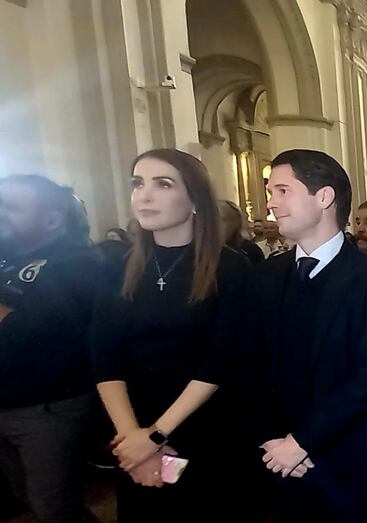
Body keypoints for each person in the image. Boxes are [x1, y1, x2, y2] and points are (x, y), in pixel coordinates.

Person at [227, 149, 367, 522]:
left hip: (351, 462)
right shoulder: (264, 275)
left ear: (324, 197)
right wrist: (272, 439)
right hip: (278, 459)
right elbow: (246, 364)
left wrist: (302, 442)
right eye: (270, 191)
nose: (270, 203)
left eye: (282, 190)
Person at [91, 149, 248, 522]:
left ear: (194, 197)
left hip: (203, 428)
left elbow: (218, 361)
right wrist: (134, 440)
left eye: (163, 184)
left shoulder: (230, 267)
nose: (144, 195)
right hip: (132, 428)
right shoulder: (117, 266)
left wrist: (157, 437)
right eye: (137, 184)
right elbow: (103, 357)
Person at [0, 175, 99, 523]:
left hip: (47, 406)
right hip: (8, 401)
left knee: (54, 506)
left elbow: (27, 331)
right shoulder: (6, 261)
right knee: (25, 497)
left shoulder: (77, 264)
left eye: (11, 207)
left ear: (52, 220)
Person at [218, 200, 264, 265]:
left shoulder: (251, 251)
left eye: (222, 220)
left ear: (236, 222)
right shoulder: (204, 252)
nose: (215, 225)